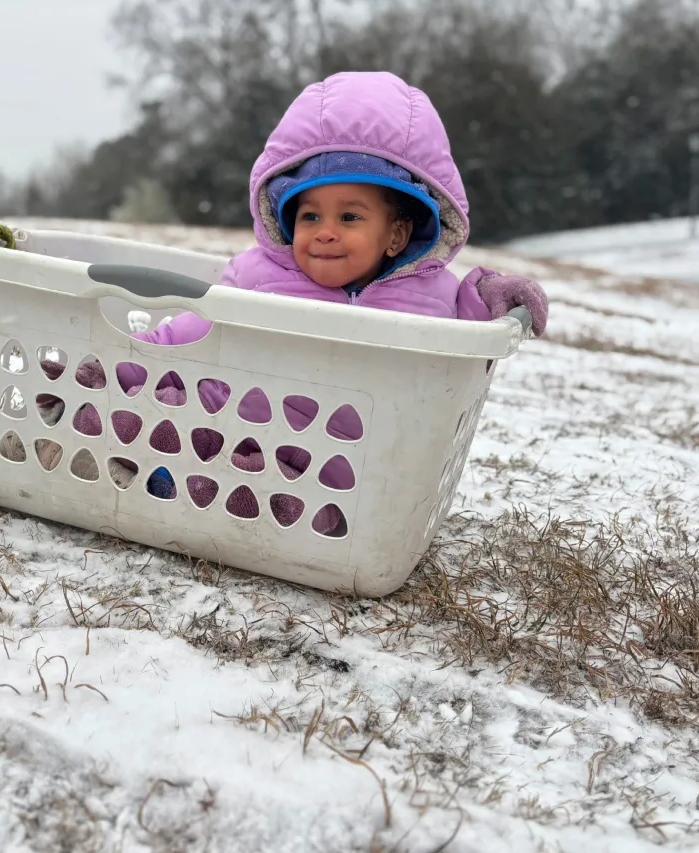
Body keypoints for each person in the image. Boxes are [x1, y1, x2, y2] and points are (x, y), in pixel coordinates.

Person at [68, 71, 550, 521]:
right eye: (310, 217)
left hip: (337, 476)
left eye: (350, 218)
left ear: (397, 235)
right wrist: (117, 367)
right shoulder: (260, 273)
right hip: (236, 426)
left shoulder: (432, 295)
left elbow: (475, 327)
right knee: (158, 407)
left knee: (281, 497)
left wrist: (495, 291)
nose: (324, 233)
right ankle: (105, 455)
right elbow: (188, 331)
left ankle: (188, 489)